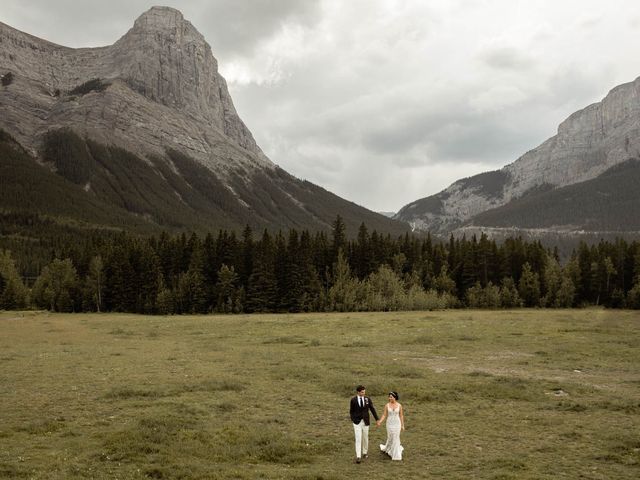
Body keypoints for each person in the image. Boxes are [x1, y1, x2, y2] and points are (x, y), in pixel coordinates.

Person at [349, 385, 379, 464]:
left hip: (366, 421)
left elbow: (372, 409)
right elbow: (351, 411)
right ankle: (358, 456)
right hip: (357, 422)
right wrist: (353, 419)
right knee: (358, 438)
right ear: (358, 392)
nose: (364, 393)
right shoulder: (353, 400)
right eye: (362, 392)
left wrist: (377, 419)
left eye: (364, 392)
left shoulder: (367, 399)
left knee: (365, 437)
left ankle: (365, 452)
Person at [377, 391, 405, 461]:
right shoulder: (387, 405)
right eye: (389, 397)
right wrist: (380, 421)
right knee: (390, 437)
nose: (390, 398)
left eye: (391, 397)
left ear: (395, 397)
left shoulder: (399, 405)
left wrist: (402, 425)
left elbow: (401, 415)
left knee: (396, 437)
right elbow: (384, 415)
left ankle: (396, 455)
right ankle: (388, 448)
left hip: (397, 424)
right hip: (389, 424)